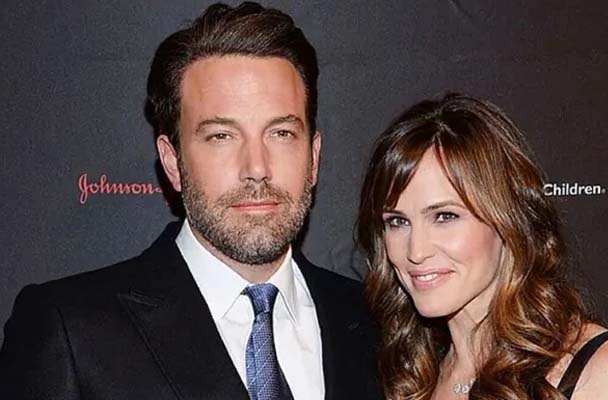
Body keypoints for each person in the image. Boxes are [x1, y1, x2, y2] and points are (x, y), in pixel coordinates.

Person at [0, 3, 379, 399]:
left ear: (313, 157)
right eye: (221, 136)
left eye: (281, 133)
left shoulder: (375, 322)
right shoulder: (72, 331)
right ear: (172, 162)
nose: (257, 167)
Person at [356, 94, 608, 399]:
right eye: (397, 221)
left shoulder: (607, 372)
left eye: (445, 216)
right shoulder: (412, 379)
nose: (415, 251)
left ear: (508, 221)